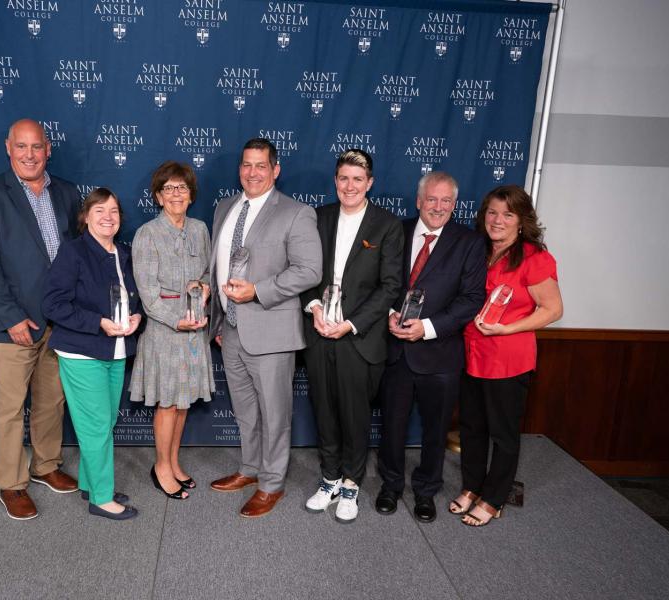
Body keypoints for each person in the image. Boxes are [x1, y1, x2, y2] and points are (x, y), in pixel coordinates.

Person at [0, 118, 80, 520]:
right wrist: (11, 316)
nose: (29, 155)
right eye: (21, 147)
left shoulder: (66, 192)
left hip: (59, 322)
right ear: (8, 148)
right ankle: (11, 484)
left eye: (37, 147)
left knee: (51, 402)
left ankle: (46, 466)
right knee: (10, 409)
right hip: (11, 324)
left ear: (48, 149)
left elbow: (76, 256)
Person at [208, 138, 322, 518]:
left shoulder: (295, 212)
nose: (252, 172)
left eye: (261, 165)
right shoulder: (224, 207)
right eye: (246, 165)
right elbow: (220, 267)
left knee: (274, 412)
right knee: (244, 411)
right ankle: (250, 469)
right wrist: (220, 317)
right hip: (231, 330)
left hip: (272, 332)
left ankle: (271, 483)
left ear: (275, 170)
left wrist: (258, 291)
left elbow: (309, 271)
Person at [376, 171, 487, 523]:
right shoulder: (397, 230)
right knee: (391, 425)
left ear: (454, 205)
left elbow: (471, 300)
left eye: (446, 201)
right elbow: (381, 283)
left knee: (435, 429)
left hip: (440, 355)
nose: (438, 207)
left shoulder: (469, 243)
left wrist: (425, 328)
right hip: (395, 351)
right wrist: (391, 316)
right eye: (432, 199)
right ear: (419, 200)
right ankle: (390, 485)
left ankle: (426, 491)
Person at [300, 149, 403, 523]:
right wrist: (313, 308)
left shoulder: (387, 225)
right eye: (343, 178)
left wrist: (351, 323)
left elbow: (391, 287)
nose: (350, 186)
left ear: (370, 183)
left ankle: (351, 484)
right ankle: (328, 478)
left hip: (357, 339)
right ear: (335, 181)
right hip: (318, 334)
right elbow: (305, 272)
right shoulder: (318, 217)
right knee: (324, 411)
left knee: (355, 416)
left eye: (357, 179)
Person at [451, 184, 563, 527]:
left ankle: (495, 497)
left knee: (503, 432)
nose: (498, 220)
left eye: (507, 214)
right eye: (492, 212)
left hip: (508, 359)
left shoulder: (533, 257)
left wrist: (508, 329)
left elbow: (553, 309)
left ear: (521, 220)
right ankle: (472, 486)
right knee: (471, 427)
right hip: (471, 354)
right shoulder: (477, 250)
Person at [41, 188, 143, 520]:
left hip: (116, 350)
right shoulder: (73, 253)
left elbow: (132, 297)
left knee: (105, 422)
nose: (108, 217)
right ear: (86, 217)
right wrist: (97, 322)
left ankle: (89, 482)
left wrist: (137, 315)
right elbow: (53, 304)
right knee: (98, 424)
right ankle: (101, 499)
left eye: (114, 210)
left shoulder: (123, 253)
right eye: (99, 210)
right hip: (82, 351)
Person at [129, 161, 213, 500]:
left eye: (181, 188)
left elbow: (207, 274)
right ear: (159, 197)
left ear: (191, 195)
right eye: (168, 189)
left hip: (195, 332)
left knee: (182, 404)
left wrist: (205, 290)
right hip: (166, 333)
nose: (176, 194)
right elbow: (148, 297)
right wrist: (176, 319)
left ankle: (174, 462)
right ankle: (161, 466)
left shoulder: (200, 229)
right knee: (167, 403)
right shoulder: (147, 234)